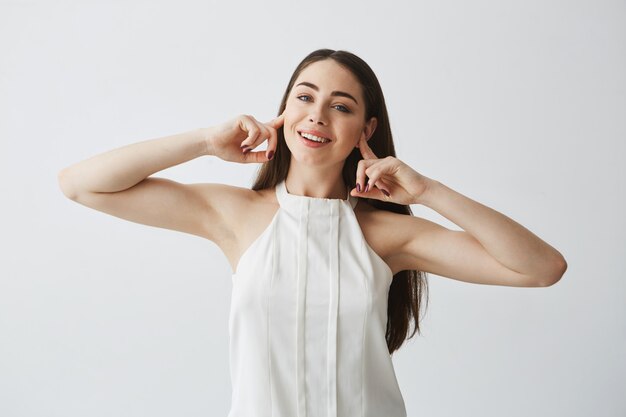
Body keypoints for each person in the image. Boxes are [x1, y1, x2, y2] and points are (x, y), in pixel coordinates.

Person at [58, 48, 567, 416]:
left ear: (365, 131)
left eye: (342, 106)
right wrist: (206, 142)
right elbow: (82, 185)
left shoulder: (385, 236)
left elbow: (543, 268)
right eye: (305, 97)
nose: (317, 115)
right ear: (285, 109)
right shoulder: (234, 213)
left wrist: (429, 191)